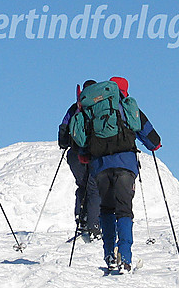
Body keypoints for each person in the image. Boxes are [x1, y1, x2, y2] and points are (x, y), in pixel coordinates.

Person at [69, 76, 161, 272]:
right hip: (126, 165)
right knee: (124, 210)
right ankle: (125, 256)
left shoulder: (93, 108)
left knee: (107, 210)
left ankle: (109, 254)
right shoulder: (125, 105)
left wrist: (86, 156)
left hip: (101, 167)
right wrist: (154, 144)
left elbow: (83, 139)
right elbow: (150, 135)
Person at [58, 80, 102, 241]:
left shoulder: (76, 106)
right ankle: (94, 225)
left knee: (82, 185)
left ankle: (81, 219)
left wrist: (64, 143)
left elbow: (64, 126)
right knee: (94, 188)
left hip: (75, 154)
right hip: (95, 153)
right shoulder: (100, 105)